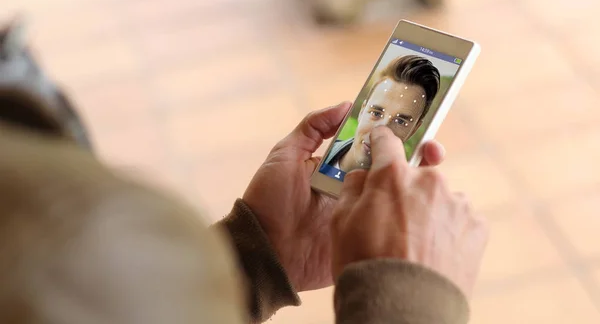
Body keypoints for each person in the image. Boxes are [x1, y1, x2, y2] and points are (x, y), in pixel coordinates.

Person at [0, 21, 489, 324]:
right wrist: (409, 302)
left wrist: (262, 256)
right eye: (377, 114)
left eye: (404, 121)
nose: (379, 130)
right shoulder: (47, 236)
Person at [324, 54, 440, 173]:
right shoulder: (322, 159)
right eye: (376, 113)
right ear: (362, 111)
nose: (380, 131)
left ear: (413, 130)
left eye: (400, 121)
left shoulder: (400, 188)